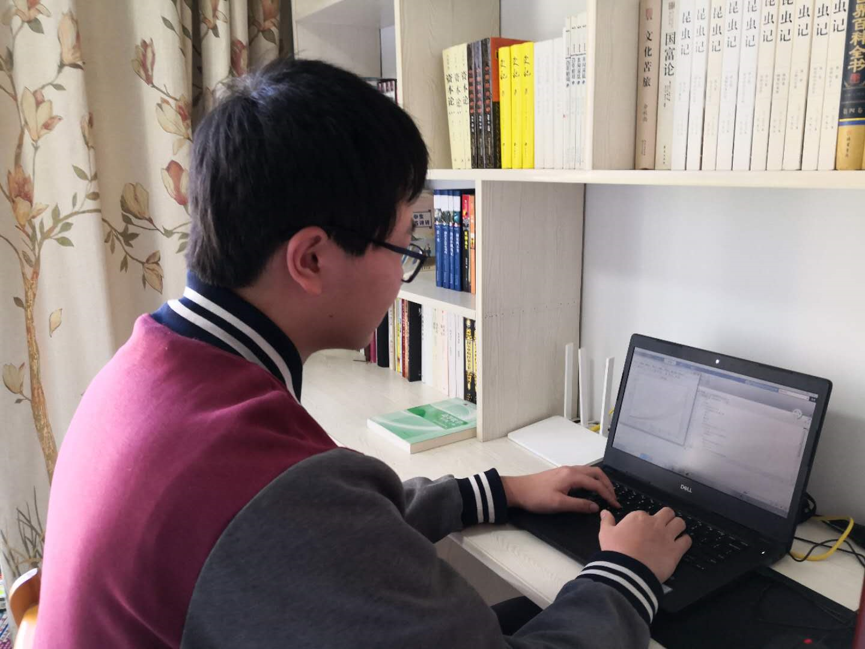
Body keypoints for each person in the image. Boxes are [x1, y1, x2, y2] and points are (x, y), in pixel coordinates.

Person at [35, 58, 691, 649]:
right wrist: (627, 570)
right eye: (404, 246)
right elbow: (307, 521)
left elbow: (329, 526)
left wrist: (495, 491)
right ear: (312, 259)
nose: (406, 272)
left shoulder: (143, 368)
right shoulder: (271, 485)